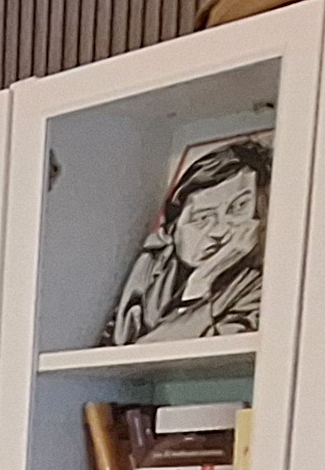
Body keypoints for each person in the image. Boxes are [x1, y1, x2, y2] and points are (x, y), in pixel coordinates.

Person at [106, 134, 270, 344]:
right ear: (174, 229)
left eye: (239, 207)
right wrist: (198, 283)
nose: (219, 230)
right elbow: (123, 346)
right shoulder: (155, 260)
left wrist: (201, 284)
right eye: (202, 218)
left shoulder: (260, 285)